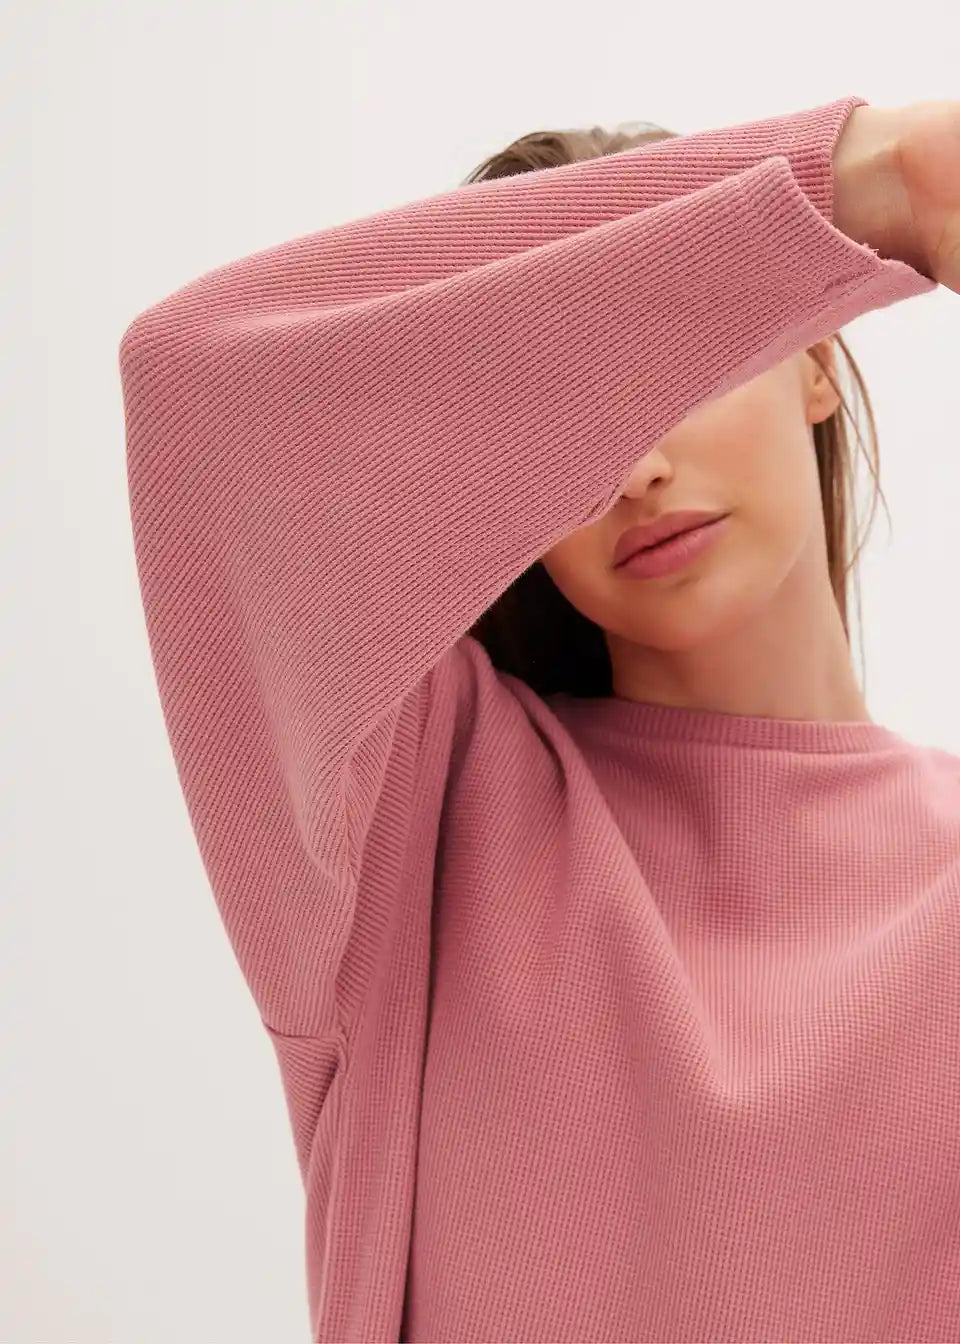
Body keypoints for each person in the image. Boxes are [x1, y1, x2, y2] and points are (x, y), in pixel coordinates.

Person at [118, 96, 959, 1342]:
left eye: (676, 377)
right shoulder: (417, 814)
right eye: (568, 423)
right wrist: (880, 188)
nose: (635, 469)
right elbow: (191, 378)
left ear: (821, 363)